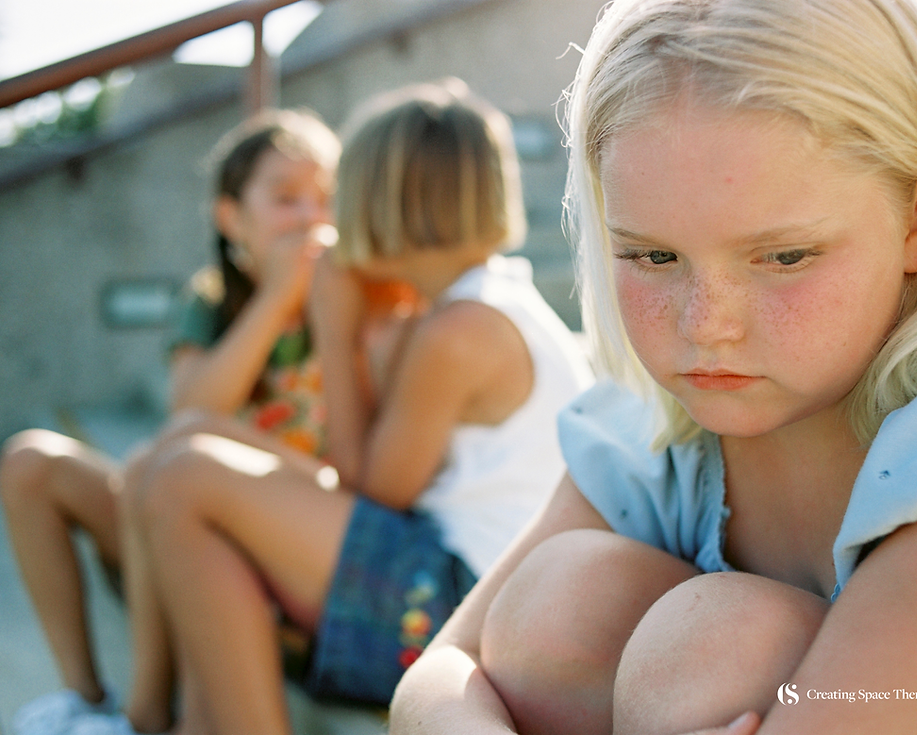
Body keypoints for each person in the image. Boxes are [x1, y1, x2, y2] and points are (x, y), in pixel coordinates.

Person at [388, 1, 917, 733]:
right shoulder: (657, 432)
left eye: (785, 256)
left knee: (716, 647)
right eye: (653, 256)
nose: (707, 326)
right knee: (556, 604)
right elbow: (442, 673)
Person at [70, 78, 594, 735]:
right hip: (462, 580)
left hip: (469, 603)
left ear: (387, 205)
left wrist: (336, 331)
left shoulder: (460, 331)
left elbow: (370, 488)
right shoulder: (478, 302)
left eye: (343, 194)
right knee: (187, 439)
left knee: (184, 479)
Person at [1, 108, 394, 735]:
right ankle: (83, 699)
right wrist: (274, 302)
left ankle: (148, 716)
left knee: (168, 478)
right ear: (231, 218)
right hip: (186, 505)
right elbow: (194, 409)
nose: (310, 218)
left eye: (325, 199)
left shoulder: (361, 300)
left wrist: (321, 307)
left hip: (281, 535)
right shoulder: (214, 300)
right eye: (287, 200)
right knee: (32, 463)